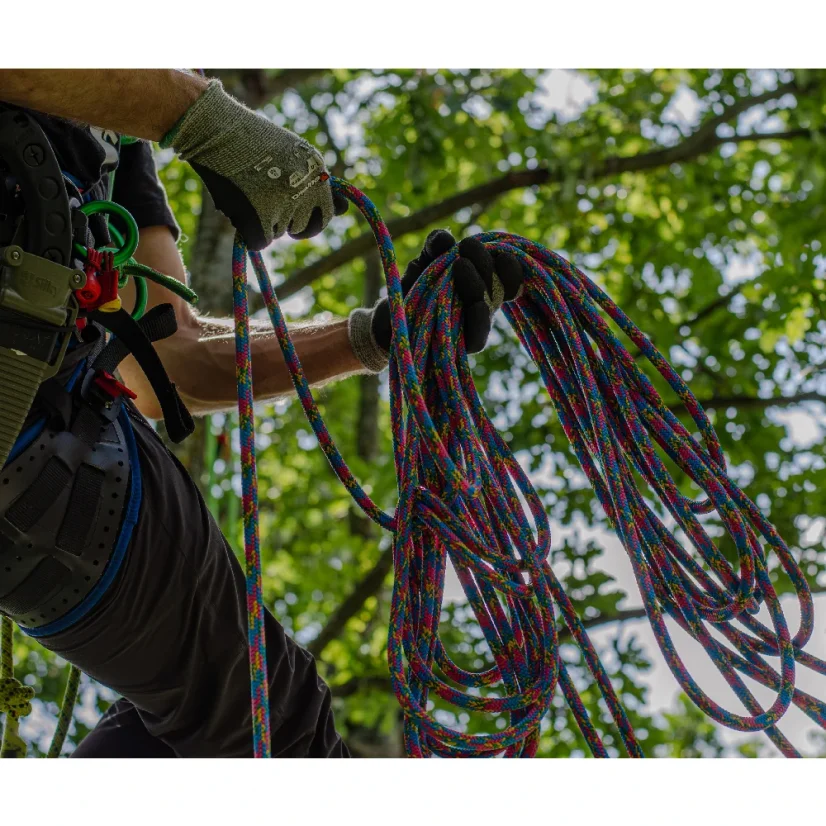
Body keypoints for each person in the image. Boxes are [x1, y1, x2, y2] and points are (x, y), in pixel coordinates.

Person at [0, 70, 524, 757]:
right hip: (45, 440)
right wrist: (204, 120)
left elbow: (166, 359)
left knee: (264, 721)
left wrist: (372, 336)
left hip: (47, 447)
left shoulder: (117, 133)